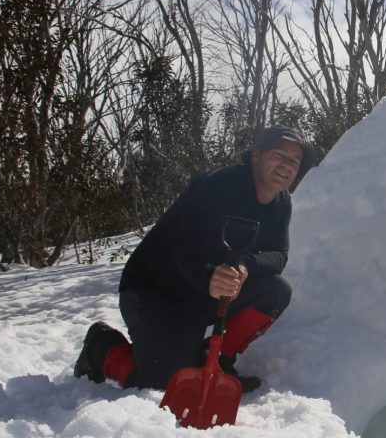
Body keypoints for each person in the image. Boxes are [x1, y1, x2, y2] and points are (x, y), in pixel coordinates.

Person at [74, 126, 315, 394]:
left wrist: (246, 266)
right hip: (155, 292)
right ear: (256, 155)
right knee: (164, 385)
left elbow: (279, 255)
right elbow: (184, 246)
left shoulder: (281, 202)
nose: (287, 165)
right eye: (279, 155)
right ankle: (102, 347)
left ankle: (219, 362)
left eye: (294, 161)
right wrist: (209, 278)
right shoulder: (220, 185)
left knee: (275, 291)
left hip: (202, 295)